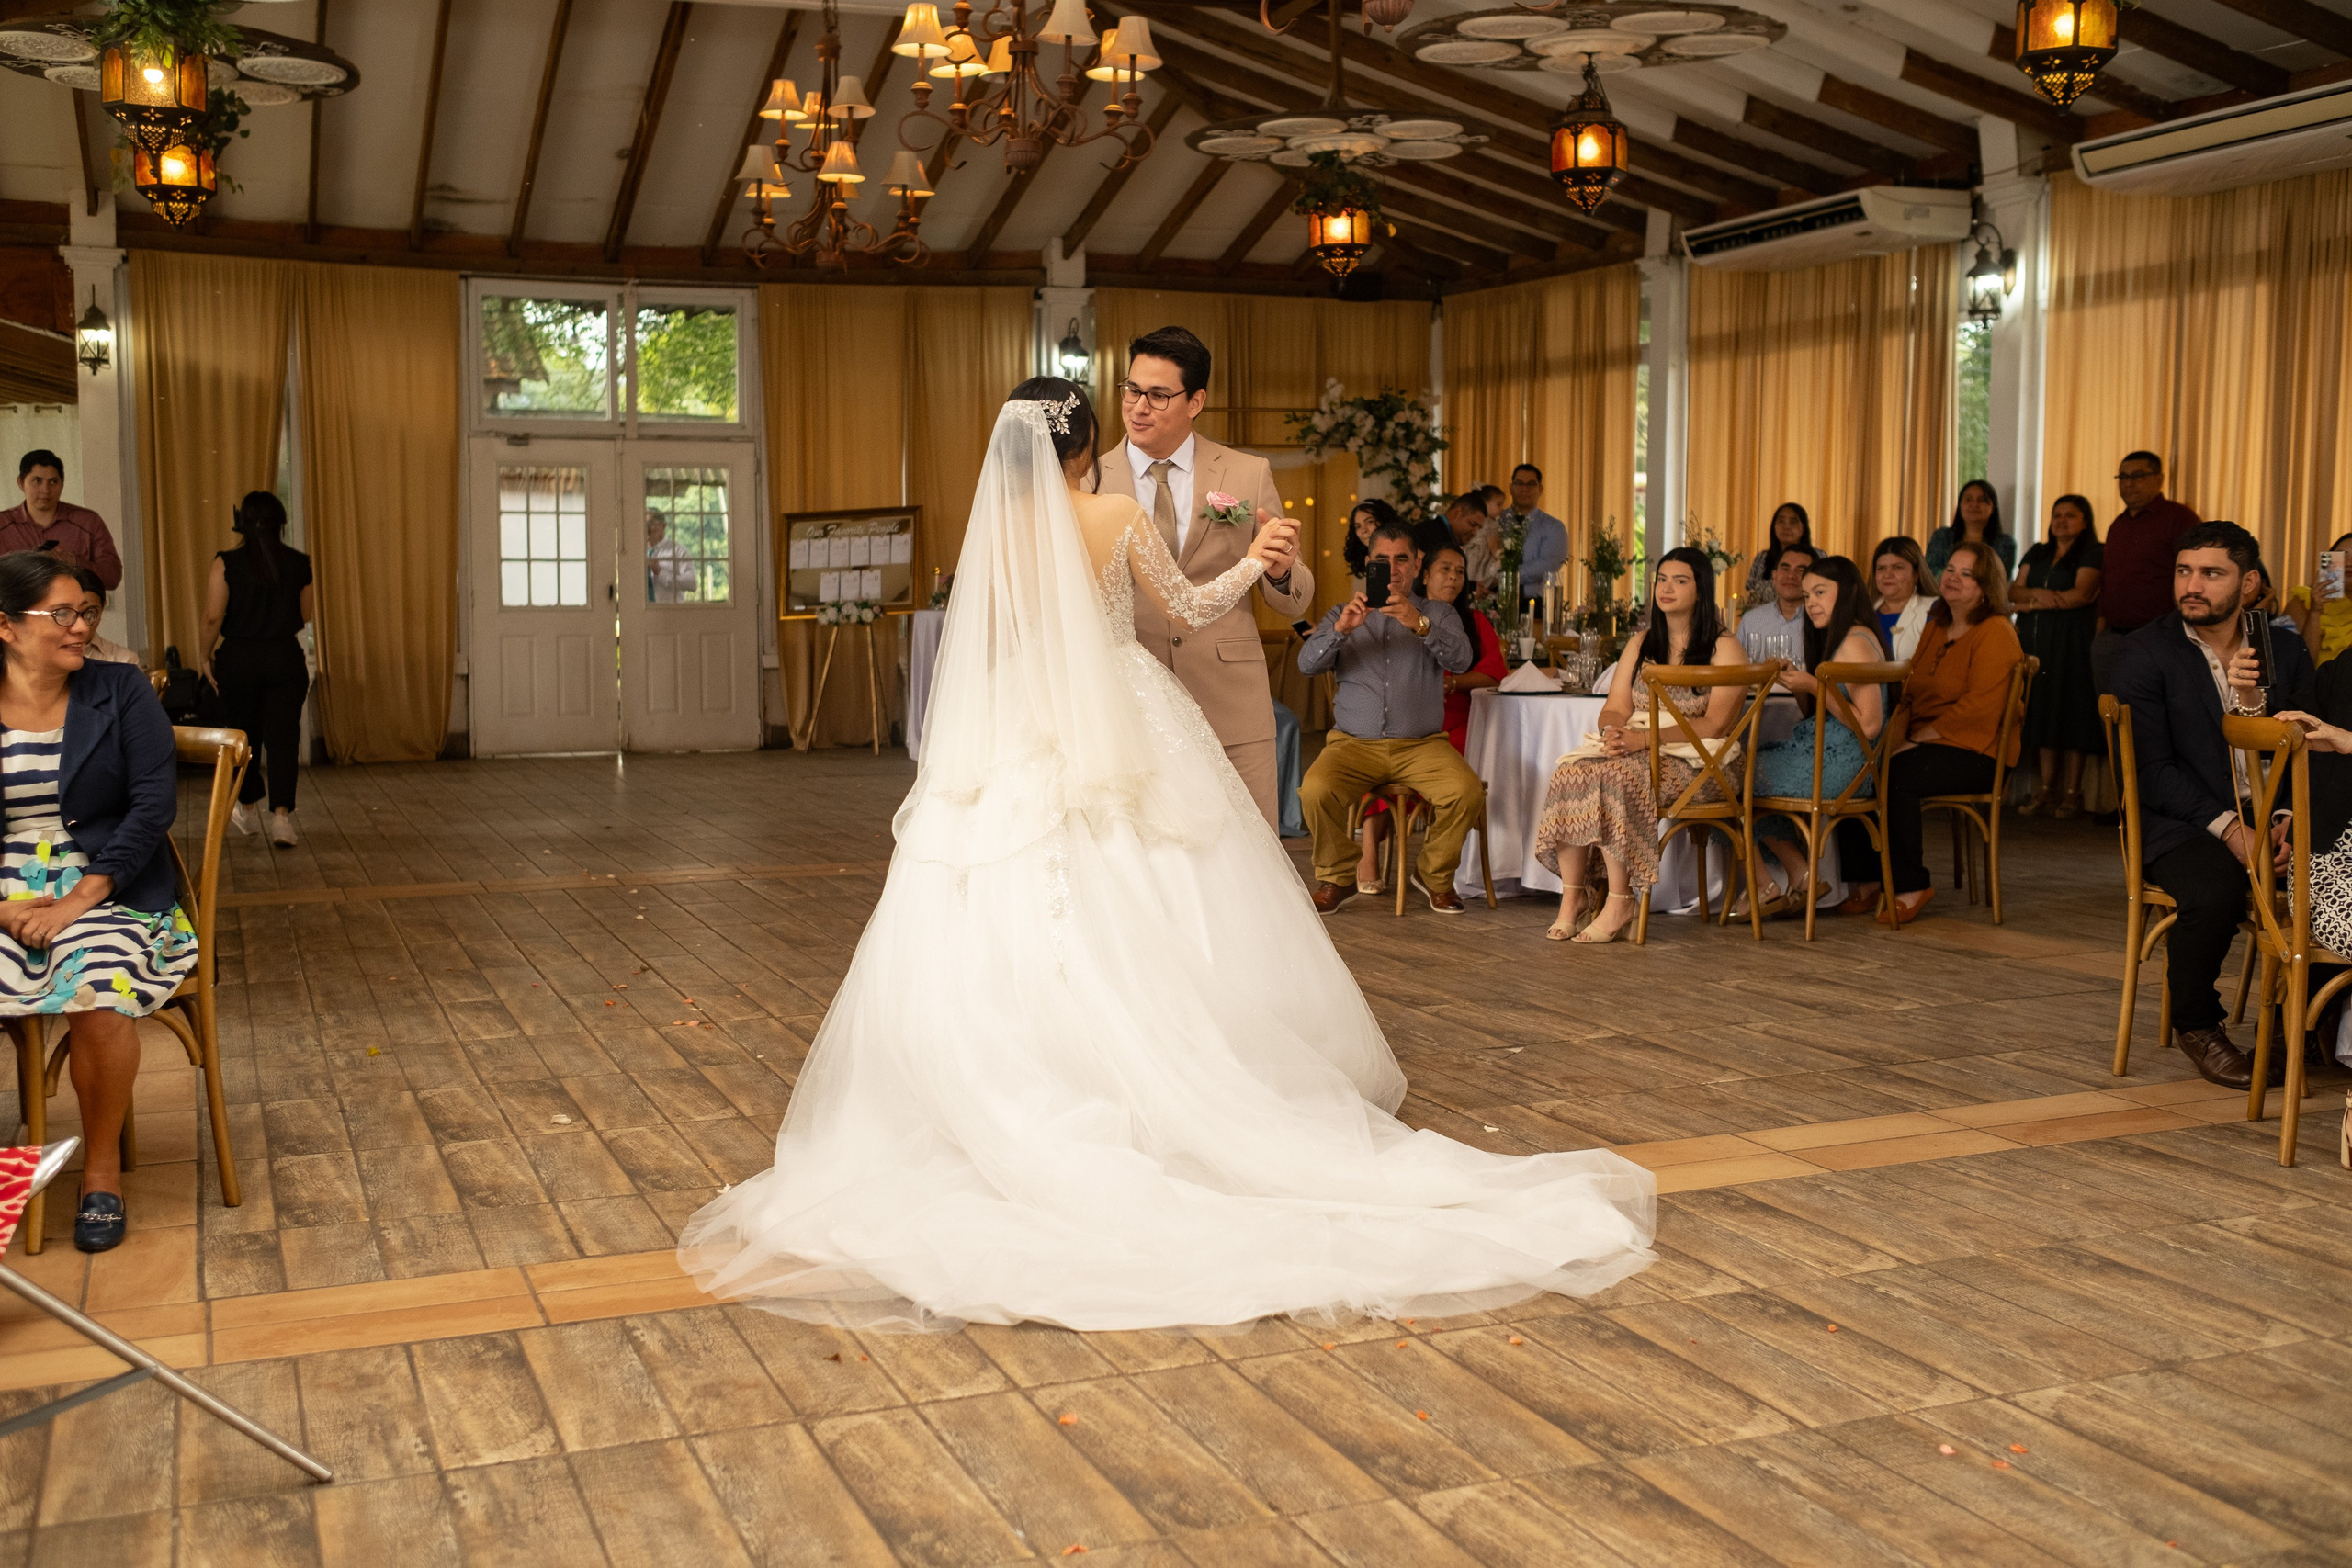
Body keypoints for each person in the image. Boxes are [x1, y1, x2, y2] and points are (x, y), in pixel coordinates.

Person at [675, 379, 1656, 1332]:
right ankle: (1177, 1066)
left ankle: (1000, 1072)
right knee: (1161, 875)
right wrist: (1259, 554)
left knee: (990, 887)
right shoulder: (1104, 515)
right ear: (1084, 447)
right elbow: (1187, 609)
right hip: (1117, 711)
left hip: (1017, 723)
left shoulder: (997, 534)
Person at [0, 551, 194, 1253]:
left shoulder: (121, 691)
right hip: (6, 887)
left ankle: (100, 1173)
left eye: (86, 611)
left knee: (100, 988)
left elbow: (152, 807)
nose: (81, 626)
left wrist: (78, 900)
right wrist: (7, 907)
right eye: (61, 613)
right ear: (5, 627)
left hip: (109, 879)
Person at [2112, 523, 2314, 1089]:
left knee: (2333, 869)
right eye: (2184, 572)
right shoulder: (2145, 653)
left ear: (2248, 583)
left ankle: (2307, 1028)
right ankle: (2197, 1024)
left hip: (2270, 812)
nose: (2192, 586)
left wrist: (2282, 820)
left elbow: (2306, 742)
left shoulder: (2284, 647)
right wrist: (2234, 831)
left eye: (2210, 573)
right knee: (2216, 887)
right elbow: (2152, 773)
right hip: (2176, 821)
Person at [1093, 327, 1313, 830]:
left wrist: (1280, 573)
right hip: (1133, 705)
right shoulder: (1094, 479)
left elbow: (1295, 599)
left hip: (1229, 698)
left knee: (1252, 850)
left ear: (1195, 401)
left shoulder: (1245, 473)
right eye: (1131, 390)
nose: (1138, 407)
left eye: (1158, 395)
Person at [1533, 547, 1745, 945]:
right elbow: (1615, 707)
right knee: (1572, 770)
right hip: (1639, 746)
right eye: (1662, 579)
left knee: (1615, 777)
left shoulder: (1723, 646)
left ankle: (1620, 900)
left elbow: (1716, 723)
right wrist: (1614, 733)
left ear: (1701, 589)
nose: (1666, 588)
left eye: (1680, 581)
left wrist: (1644, 740)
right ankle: (1573, 898)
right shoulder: (1643, 642)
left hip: (1703, 763)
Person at [1297, 523, 1486, 916]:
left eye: (1402, 559)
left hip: (1421, 745)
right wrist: (1339, 632)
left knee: (1466, 791)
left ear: (1417, 565)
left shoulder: (1438, 612)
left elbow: (1462, 661)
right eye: (1382, 560)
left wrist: (1420, 624)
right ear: (1368, 564)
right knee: (1315, 789)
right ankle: (1337, 877)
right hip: (1352, 744)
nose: (1393, 568)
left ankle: (1433, 876)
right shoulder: (1341, 613)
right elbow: (1306, 665)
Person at [1838, 542, 2023, 927]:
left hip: (1978, 749)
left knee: (1898, 776)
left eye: (1965, 574)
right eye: (1950, 570)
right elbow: (1909, 694)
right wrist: (1889, 743)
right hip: (1929, 742)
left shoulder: (1996, 632)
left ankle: (1911, 885)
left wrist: (1915, 742)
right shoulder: (1937, 624)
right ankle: (1871, 879)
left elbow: (1981, 708)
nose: (1952, 578)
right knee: (1861, 766)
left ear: (1985, 587)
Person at [1348, 539, 1504, 896]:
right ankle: (1369, 844)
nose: (1453, 578)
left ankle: (1434, 865)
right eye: (1444, 570)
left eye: (1460, 572)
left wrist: (1452, 683)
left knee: (1465, 758)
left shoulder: (1472, 620)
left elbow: (1494, 674)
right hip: (1407, 716)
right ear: (1423, 573)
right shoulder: (1394, 613)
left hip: (1463, 717)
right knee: (1390, 746)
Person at [1742, 557, 1886, 919]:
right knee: (1737, 773)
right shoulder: (1848, 637)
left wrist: (1813, 686)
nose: (1812, 603)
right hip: (1833, 755)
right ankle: (1800, 873)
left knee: (1729, 779)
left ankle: (1767, 886)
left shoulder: (1853, 643)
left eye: (1820, 593)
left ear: (1849, 592)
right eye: (1807, 596)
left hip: (1843, 765)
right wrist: (1800, 681)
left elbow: (1869, 724)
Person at [197, 492, 313, 848]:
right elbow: (306, 615)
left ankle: (246, 808)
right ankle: (281, 819)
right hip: (284, 658)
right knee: (283, 738)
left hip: (239, 660)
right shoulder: (299, 562)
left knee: (241, 738)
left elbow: (214, 617)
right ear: (281, 524)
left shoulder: (226, 562)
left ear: (242, 523)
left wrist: (203, 656)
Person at [2012, 494, 2105, 818]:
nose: (2061, 521)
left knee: (2071, 712)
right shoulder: (2038, 551)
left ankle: (2073, 793)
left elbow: (2080, 595)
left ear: (2085, 521)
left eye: (2070, 515)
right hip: (2035, 643)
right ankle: (2046, 789)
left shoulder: (2093, 552)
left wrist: (2031, 600)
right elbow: (2013, 591)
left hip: (2071, 641)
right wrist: (2043, 599)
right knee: (2042, 712)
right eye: (2056, 515)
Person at [2093, 450, 2201, 694]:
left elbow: (2195, 572)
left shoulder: (2179, 518)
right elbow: (2107, 579)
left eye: (2138, 476)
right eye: (2123, 477)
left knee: (2149, 713)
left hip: (2161, 636)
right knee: (2110, 714)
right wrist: (2101, 630)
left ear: (2159, 479)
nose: (2129, 483)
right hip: (2112, 637)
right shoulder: (2118, 525)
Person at [1, 451, 122, 590]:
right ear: (21, 483)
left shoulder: (87, 522)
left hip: (73, 608)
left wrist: (72, 561)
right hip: (15, 608)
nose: (45, 490)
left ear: (62, 483)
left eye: (53, 482)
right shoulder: (3, 524)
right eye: (37, 481)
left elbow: (112, 577)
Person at [1924, 479, 2018, 581]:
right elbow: (1930, 573)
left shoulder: (2005, 543)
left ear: (1993, 507)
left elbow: (1997, 580)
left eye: (1982, 500)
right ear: (1960, 505)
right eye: (1968, 500)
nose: (1974, 504)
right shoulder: (1942, 536)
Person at [1737, 542, 1814, 666]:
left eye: (1800, 570)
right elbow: (1735, 666)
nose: (1791, 576)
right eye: (1785, 568)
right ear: (1774, 575)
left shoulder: (1820, 621)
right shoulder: (1751, 620)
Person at [2283, 531, 2352, 666]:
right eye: (2342, 556)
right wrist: (2315, 611)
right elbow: (2299, 665)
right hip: (2320, 685)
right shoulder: (2302, 602)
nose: (2349, 563)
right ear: (2329, 562)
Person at [1506, 464, 1570, 597]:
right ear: (1511, 488)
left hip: (1533, 601)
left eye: (1531, 484)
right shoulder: (1496, 521)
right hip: (1493, 599)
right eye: (1519, 483)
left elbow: (1549, 565)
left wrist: (1507, 577)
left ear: (1540, 489)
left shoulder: (1554, 527)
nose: (1524, 489)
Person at [1870, 536, 1934, 660]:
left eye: (1897, 567)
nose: (1887, 575)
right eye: (1881, 568)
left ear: (1916, 573)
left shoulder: (1933, 609)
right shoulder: (1864, 611)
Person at [1740, 502, 1812, 606]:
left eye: (1793, 522)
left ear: (1804, 528)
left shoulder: (1816, 556)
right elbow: (1751, 593)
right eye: (1781, 521)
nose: (1786, 526)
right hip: (1764, 619)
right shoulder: (1762, 558)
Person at [69, 567, 137, 666]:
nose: (82, 625)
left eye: (90, 613)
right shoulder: (45, 656)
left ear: (102, 608)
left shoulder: (123, 661)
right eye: (68, 613)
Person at [1341, 498, 1403, 599]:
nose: (1364, 530)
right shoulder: (1369, 559)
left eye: (1369, 522)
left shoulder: (1406, 549)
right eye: (1358, 526)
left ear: (1383, 521)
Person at [1446, 492, 1499, 591]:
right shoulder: (1441, 538)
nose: (1475, 533)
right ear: (1456, 513)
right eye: (1472, 524)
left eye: (1479, 528)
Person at [646, 511, 695, 602]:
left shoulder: (678, 552)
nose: (647, 529)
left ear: (663, 525)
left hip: (671, 613)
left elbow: (691, 583)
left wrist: (660, 573)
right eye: (643, 524)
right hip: (641, 614)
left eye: (650, 524)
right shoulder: (636, 554)